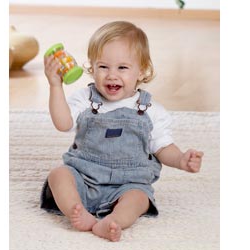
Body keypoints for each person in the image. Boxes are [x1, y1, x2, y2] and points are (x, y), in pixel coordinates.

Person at [41, 20, 204, 242]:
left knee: (139, 198)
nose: (111, 75)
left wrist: (181, 159)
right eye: (103, 67)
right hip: (85, 177)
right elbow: (62, 123)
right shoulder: (86, 99)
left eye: (122, 68)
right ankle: (77, 212)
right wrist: (55, 86)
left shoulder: (150, 110)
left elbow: (162, 147)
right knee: (58, 175)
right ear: (92, 67)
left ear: (142, 70)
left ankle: (114, 220)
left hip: (128, 184)